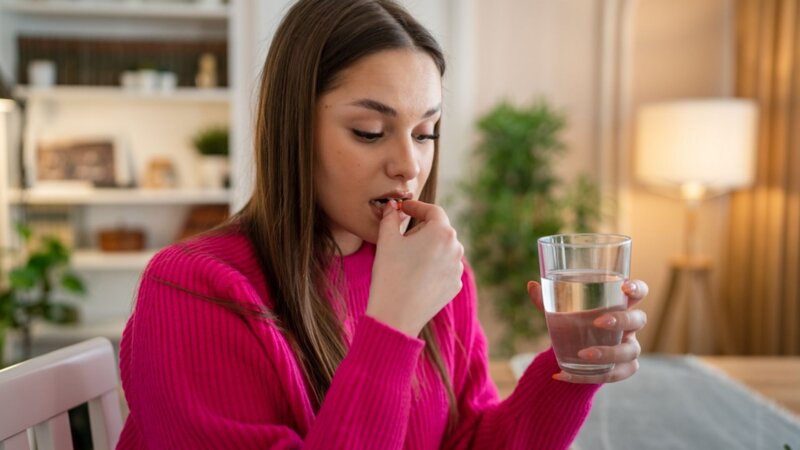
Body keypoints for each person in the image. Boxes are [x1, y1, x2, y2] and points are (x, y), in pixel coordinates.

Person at [116, 0, 648, 448]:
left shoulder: (435, 272)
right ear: (293, 127)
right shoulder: (194, 289)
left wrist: (571, 370)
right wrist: (392, 326)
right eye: (370, 131)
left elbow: (469, 440)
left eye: (425, 132)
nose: (410, 166)